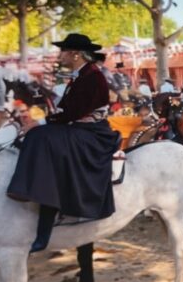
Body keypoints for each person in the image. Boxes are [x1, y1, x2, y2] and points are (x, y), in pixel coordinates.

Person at [7, 34, 121, 253]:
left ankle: (47, 204)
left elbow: (73, 112)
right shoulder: (81, 75)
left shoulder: (92, 77)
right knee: (38, 136)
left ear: (75, 54)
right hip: (79, 128)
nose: (60, 56)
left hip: (92, 134)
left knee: (40, 137)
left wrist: (40, 122)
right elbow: (67, 110)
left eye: (63, 51)